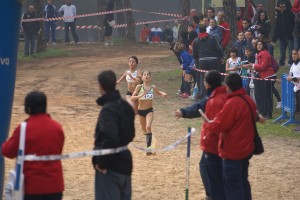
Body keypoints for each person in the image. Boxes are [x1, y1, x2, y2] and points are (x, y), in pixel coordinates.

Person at [204, 73, 265, 200]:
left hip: (233, 151)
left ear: (228, 86)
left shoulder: (233, 103)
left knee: (233, 186)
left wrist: (210, 124)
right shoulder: (248, 99)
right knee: (242, 182)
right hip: (246, 148)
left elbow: (220, 124)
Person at [174, 70, 227, 200]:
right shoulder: (225, 93)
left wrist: (183, 112)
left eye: (204, 81)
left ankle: (212, 194)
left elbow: (200, 108)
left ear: (208, 84)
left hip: (215, 142)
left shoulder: (213, 99)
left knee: (206, 166)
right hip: (228, 141)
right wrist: (184, 111)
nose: (203, 83)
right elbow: (199, 106)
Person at [1, 91, 64, 199]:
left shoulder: (24, 128)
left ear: (28, 108)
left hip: (32, 186)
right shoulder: (57, 127)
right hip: (55, 186)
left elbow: (8, 151)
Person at [92, 70, 135, 200]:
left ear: (100, 86)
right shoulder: (125, 106)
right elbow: (131, 134)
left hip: (111, 167)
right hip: (125, 163)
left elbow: (110, 138)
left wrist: (102, 163)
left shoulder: (108, 109)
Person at [131, 71, 167, 154]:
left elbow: (158, 93)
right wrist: (141, 95)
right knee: (144, 130)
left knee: (148, 127)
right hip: (140, 111)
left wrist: (163, 94)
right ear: (142, 77)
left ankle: (149, 148)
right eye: (145, 75)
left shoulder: (153, 87)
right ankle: (153, 143)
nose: (146, 76)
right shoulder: (139, 87)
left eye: (148, 75)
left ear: (150, 78)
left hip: (149, 110)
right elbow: (132, 98)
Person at [243, 40, 276, 119]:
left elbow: (263, 67)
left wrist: (253, 66)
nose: (258, 46)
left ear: (263, 45)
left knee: (268, 96)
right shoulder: (259, 54)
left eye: (260, 44)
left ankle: (269, 113)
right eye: (257, 44)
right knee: (265, 95)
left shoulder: (265, 53)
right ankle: (265, 113)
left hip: (269, 76)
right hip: (263, 76)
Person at [193, 24, 223, 100]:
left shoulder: (196, 40)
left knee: (203, 78)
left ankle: (203, 97)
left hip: (202, 61)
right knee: (215, 77)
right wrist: (221, 57)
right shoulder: (212, 38)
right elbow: (219, 49)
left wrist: (197, 61)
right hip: (213, 60)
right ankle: (217, 95)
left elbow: (194, 53)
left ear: (199, 30)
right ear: (206, 30)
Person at [272, 1, 295, 66]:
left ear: (286, 7)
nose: (282, 8)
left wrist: (293, 31)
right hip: (281, 36)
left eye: (283, 7)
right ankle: (281, 63)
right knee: (282, 51)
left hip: (289, 35)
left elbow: (293, 24)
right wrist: (274, 38)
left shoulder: (290, 14)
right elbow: (277, 27)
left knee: (291, 50)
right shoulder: (278, 16)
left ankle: (291, 62)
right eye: (280, 7)